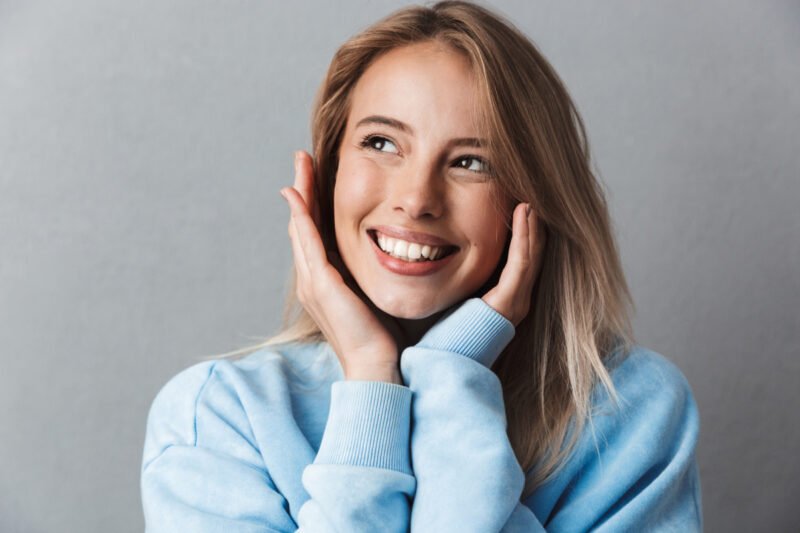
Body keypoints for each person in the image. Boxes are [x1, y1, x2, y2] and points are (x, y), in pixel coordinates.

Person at [140, 1, 702, 531]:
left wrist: (451, 374)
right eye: (381, 143)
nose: (416, 199)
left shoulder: (632, 412)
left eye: (471, 161)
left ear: (537, 197)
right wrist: (368, 374)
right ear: (331, 172)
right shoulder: (217, 417)